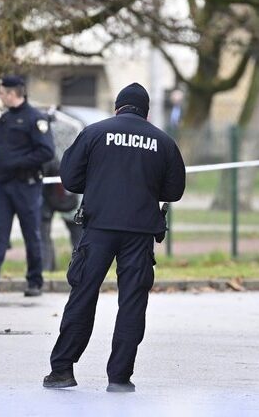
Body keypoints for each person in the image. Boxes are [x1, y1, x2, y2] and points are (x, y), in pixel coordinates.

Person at [43, 83, 186, 392]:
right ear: (146, 112)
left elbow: (70, 178)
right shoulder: (163, 141)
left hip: (98, 227)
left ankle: (62, 370)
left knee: (83, 294)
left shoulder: (95, 133)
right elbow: (174, 190)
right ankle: (120, 377)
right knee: (132, 302)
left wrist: (99, 182)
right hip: (141, 232)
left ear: (117, 107)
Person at [0, 75, 55, 297]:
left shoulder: (35, 119)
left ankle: (35, 281)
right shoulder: (4, 119)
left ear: (12, 93)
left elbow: (46, 152)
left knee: (31, 234)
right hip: (3, 186)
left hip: (26, 186)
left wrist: (16, 162)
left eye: (2, 92)